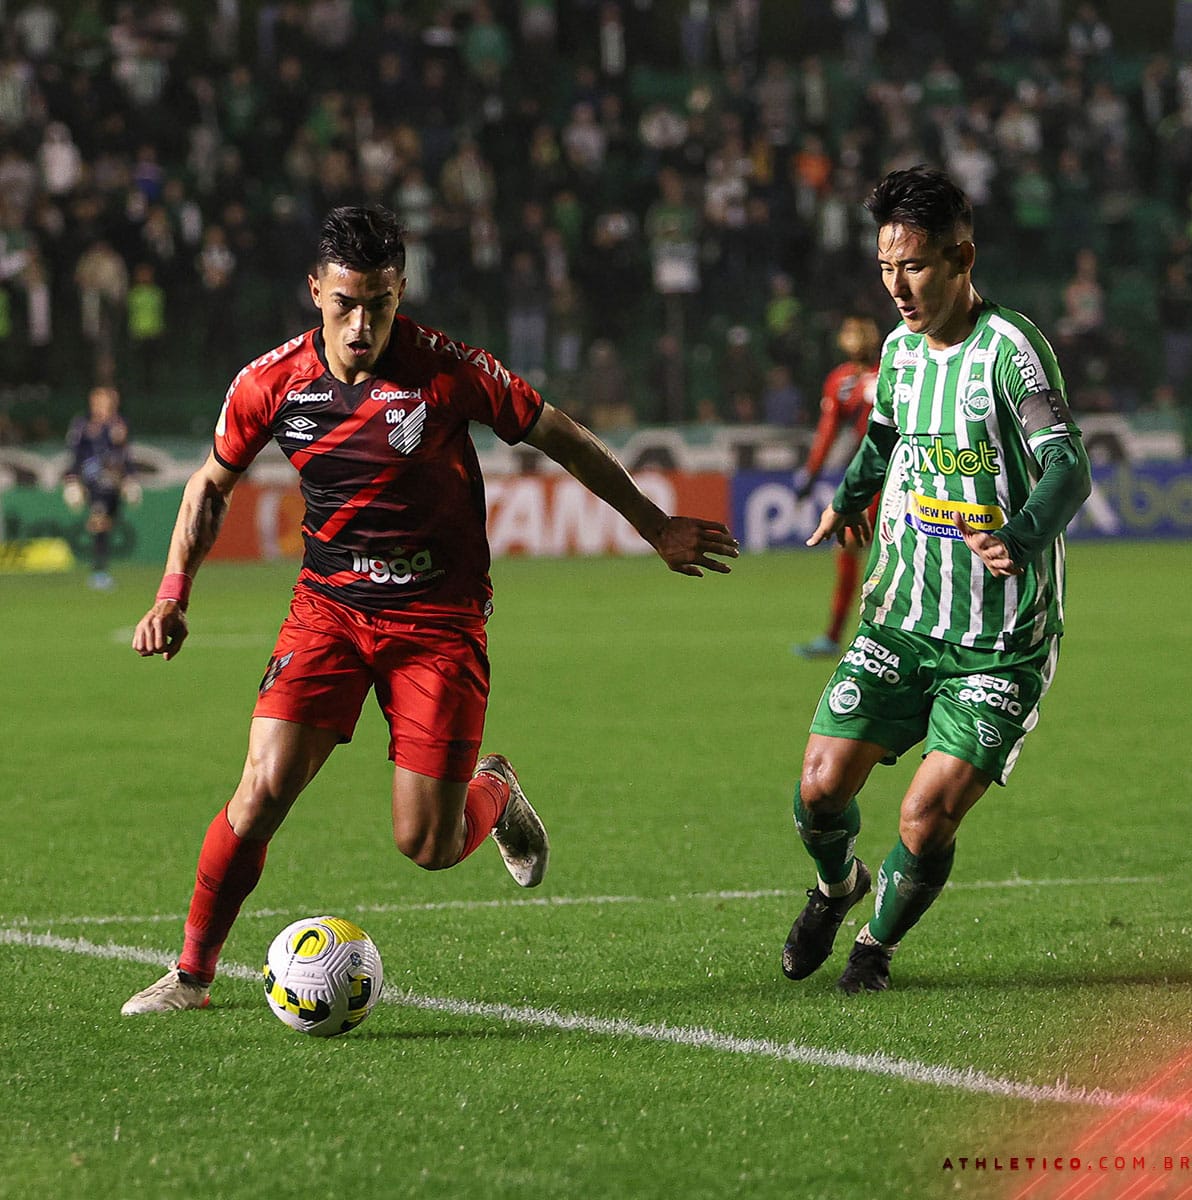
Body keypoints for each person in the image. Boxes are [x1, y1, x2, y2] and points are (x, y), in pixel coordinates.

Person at [121, 205, 739, 1016]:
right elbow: (209, 485)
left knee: (430, 845)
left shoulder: (447, 369)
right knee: (262, 787)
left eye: (379, 302)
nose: (361, 323)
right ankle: (192, 976)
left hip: (438, 623)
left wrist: (653, 524)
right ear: (315, 292)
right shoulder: (269, 383)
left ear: (399, 292)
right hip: (330, 609)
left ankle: (497, 786)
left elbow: (561, 434)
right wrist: (173, 592)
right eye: (345, 302)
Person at [781, 166, 1091, 995]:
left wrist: (1020, 538)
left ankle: (873, 950)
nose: (898, 287)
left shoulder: (1012, 353)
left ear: (962, 258)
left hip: (998, 642)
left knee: (925, 816)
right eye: (886, 268)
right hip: (902, 621)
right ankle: (835, 887)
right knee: (818, 790)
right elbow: (884, 441)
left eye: (914, 266)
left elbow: (1069, 468)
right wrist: (849, 500)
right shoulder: (897, 353)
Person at [793, 314, 880, 657]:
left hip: (874, 478)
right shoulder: (898, 365)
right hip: (903, 474)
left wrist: (810, 476)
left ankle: (835, 637)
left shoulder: (843, 381)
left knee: (849, 550)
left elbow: (827, 435)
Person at [63, 384, 140, 590]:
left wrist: (130, 478)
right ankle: (99, 572)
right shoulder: (83, 425)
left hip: (114, 483)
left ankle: (101, 570)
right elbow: (75, 454)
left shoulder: (119, 424)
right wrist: (72, 480)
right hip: (94, 481)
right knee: (100, 521)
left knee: (107, 523)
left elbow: (125, 454)